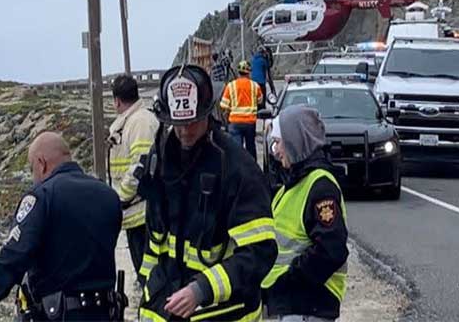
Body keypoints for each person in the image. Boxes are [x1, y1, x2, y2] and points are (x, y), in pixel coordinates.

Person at [136, 65, 277, 321]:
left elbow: (261, 252)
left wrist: (202, 289)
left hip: (223, 310)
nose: (186, 131)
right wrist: (148, 282)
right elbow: (154, 238)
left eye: (193, 121)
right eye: (178, 124)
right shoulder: (162, 161)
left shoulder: (237, 168)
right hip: (167, 302)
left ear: (208, 114)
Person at [0, 132, 122, 321]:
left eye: (32, 169)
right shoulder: (109, 195)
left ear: (41, 163)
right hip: (105, 312)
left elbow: (14, 256)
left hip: (60, 313)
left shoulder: (43, 196)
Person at [262, 106, 349, 322]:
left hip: (308, 305)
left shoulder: (320, 186)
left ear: (295, 142)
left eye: (279, 142)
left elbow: (331, 250)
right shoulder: (291, 185)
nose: (276, 150)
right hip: (292, 303)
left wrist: (288, 280)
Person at [108, 74, 159, 283]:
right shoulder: (133, 121)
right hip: (135, 212)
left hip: (142, 212)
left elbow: (141, 166)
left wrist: (120, 198)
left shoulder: (140, 123)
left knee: (149, 275)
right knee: (144, 273)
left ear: (117, 100)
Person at [220, 60, 263, 159]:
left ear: (238, 72)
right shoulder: (255, 86)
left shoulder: (231, 86)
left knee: (236, 150)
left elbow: (223, 105)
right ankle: (252, 170)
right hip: (250, 122)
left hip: (235, 123)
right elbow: (260, 100)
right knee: (251, 148)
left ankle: (238, 171)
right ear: (249, 72)